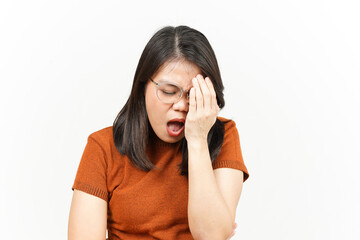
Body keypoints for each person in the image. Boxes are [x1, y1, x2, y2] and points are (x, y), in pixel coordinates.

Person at [68, 25, 250, 240]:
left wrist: (198, 140)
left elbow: (211, 236)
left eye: (194, 95)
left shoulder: (224, 136)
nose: (181, 105)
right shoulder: (102, 146)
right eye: (168, 92)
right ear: (142, 87)